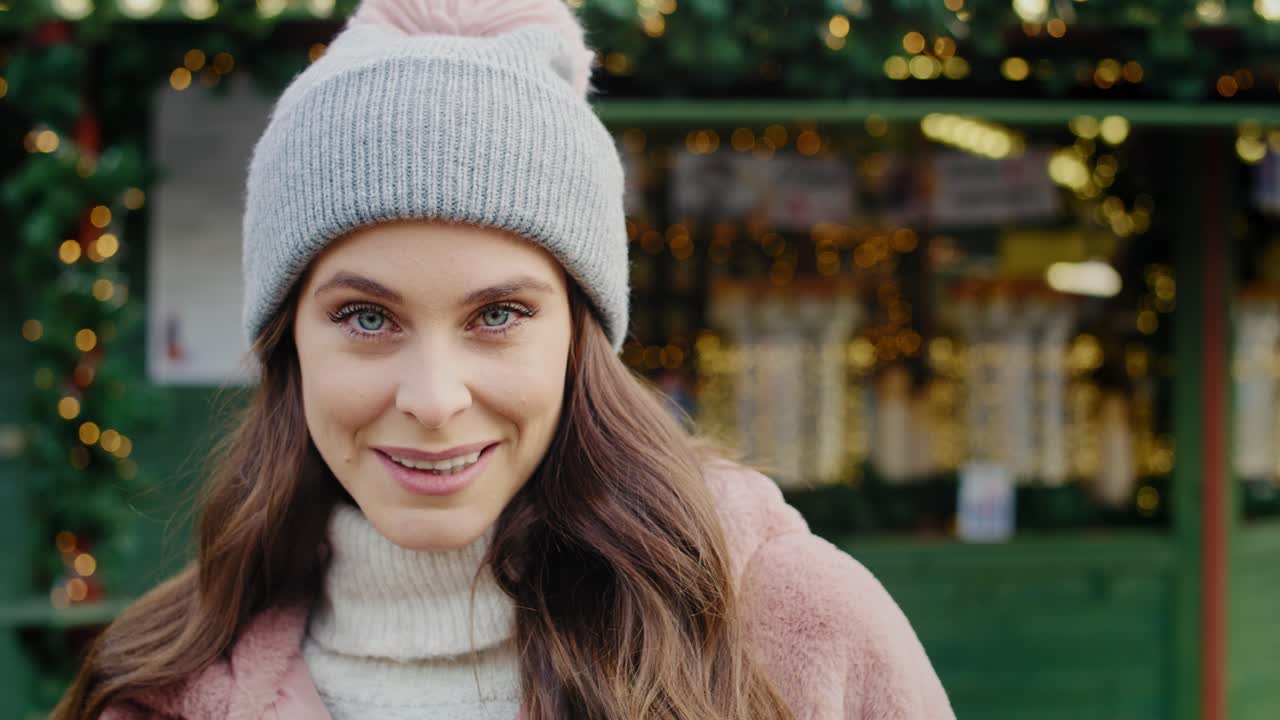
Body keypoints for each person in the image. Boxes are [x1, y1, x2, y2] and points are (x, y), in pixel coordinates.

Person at [55, 0, 953, 718]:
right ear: (287, 340)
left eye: (499, 314)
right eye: (366, 317)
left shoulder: (796, 632)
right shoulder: (162, 690)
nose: (436, 399)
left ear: (579, 336)